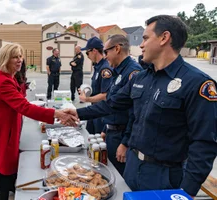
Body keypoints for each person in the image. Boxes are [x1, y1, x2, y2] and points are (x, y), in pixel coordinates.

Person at [64, 15, 217, 197]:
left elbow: (204, 145)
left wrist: (185, 192)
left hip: (165, 176)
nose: (141, 45)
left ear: (164, 38)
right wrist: (75, 113)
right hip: (133, 167)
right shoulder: (141, 77)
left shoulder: (196, 83)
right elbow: (111, 105)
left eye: (145, 38)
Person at [0, 43, 76, 200]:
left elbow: (20, 99)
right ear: (5, 59)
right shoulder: (4, 81)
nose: (19, 60)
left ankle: (7, 188)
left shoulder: (9, 77)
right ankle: (2, 193)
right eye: (14, 57)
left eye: (20, 56)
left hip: (6, 128)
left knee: (7, 169)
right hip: (0, 131)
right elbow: (24, 107)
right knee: (3, 170)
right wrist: (57, 114)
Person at [100, 34, 142, 175]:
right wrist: (106, 129)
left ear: (117, 48)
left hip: (122, 135)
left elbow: (135, 112)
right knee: (110, 172)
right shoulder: (119, 71)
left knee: (119, 178)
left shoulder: (133, 72)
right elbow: (113, 103)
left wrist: (125, 143)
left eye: (106, 52)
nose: (105, 56)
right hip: (113, 132)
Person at [79, 36, 114, 134]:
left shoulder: (105, 69)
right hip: (95, 109)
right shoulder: (98, 66)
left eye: (87, 53)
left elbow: (105, 95)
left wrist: (87, 99)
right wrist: (86, 92)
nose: (87, 56)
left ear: (94, 51)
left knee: (98, 142)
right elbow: (97, 89)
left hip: (101, 112)